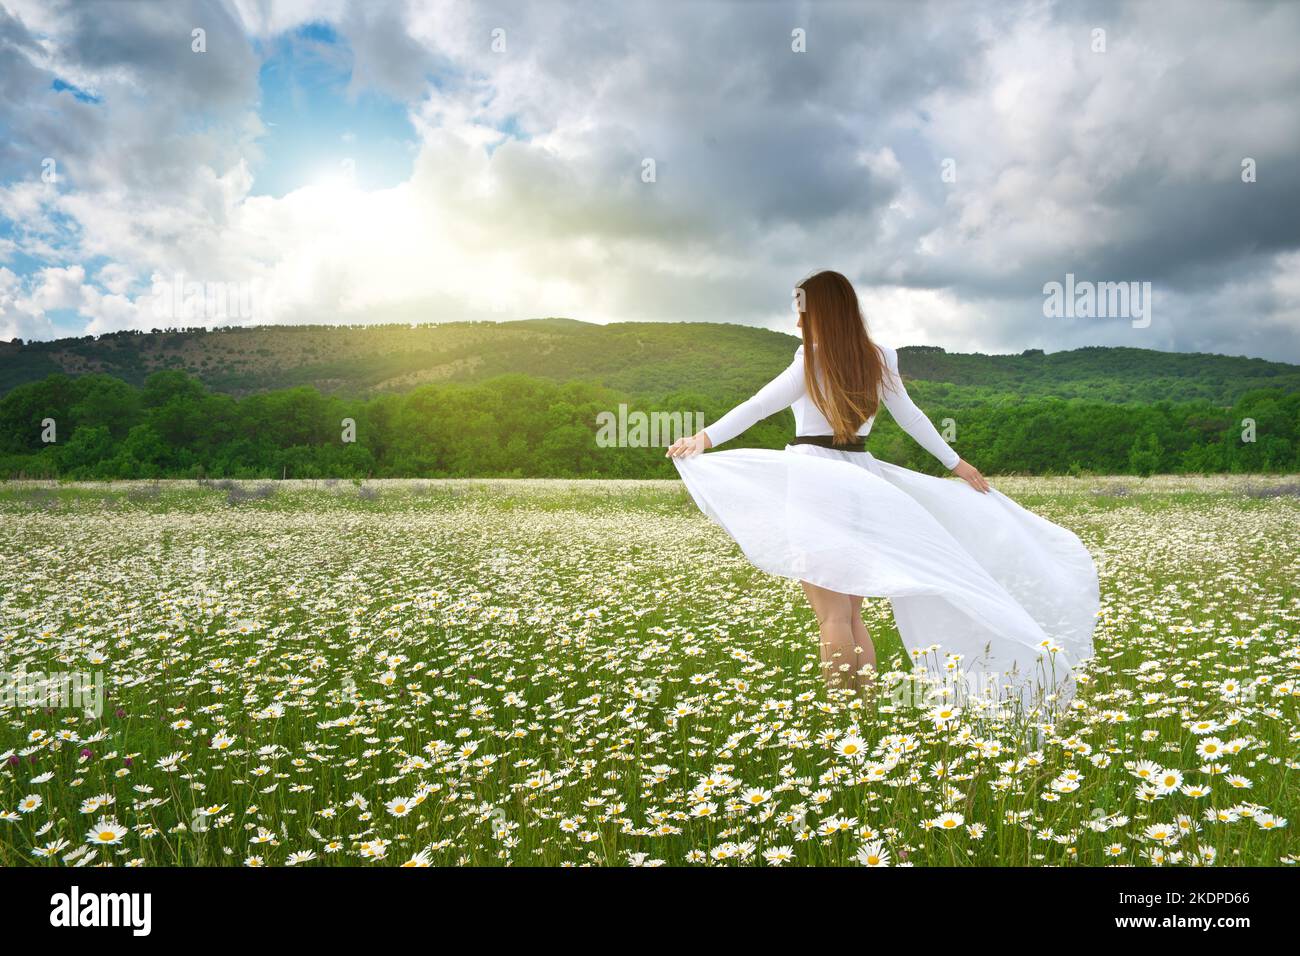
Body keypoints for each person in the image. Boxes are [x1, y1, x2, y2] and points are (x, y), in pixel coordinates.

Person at [667, 270, 1097, 717]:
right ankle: (865, 712)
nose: (797, 320)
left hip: (814, 478)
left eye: (801, 309)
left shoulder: (809, 358)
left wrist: (704, 439)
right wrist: (956, 464)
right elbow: (912, 418)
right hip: (862, 480)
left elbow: (758, 406)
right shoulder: (880, 357)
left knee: (831, 616)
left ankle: (842, 718)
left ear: (818, 311)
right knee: (852, 613)